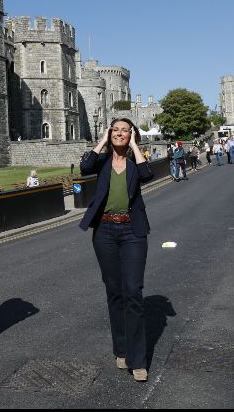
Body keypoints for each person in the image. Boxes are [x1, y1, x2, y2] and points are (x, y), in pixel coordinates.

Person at [78, 118, 153, 382]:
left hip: (133, 231)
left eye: (125, 130)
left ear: (132, 134)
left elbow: (147, 175)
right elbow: (84, 166)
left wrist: (133, 144)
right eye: (116, 130)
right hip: (105, 232)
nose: (120, 134)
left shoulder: (136, 162)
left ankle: (137, 358)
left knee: (133, 291)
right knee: (115, 292)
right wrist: (102, 140)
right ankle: (121, 349)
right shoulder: (101, 162)